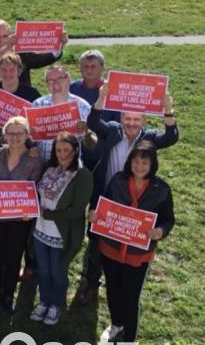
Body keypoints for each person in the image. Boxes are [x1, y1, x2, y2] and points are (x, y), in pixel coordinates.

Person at [74, 84, 179, 304]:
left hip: (134, 201)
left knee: (124, 242)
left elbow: (171, 137)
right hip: (104, 195)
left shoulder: (149, 137)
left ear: (144, 121)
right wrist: (101, 99)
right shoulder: (112, 129)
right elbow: (93, 122)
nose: (131, 124)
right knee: (95, 241)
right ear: (121, 118)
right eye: (127, 119)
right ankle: (91, 283)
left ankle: (119, 287)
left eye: (136, 119)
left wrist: (168, 111)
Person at [94, 141, 174, 345]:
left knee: (131, 297)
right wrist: (96, 213)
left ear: (152, 164)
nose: (139, 166)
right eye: (136, 161)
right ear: (130, 162)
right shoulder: (118, 180)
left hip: (138, 253)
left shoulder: (162, 189)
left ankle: (129, 341)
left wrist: (160, 231)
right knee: (113, 289)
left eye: (144, 162)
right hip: (111, 247)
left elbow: (169, 220)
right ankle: (116, 323)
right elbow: (105, 204)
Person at [0, 116, 43, 312]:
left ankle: (8, 293)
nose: (15, 137)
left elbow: (36, 190)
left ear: (27, 135)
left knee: (13, 257)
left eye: (20, 133)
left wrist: (30, 211)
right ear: (4, 134)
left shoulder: (34, 161)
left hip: (19, 220)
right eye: (11, 133)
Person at [29, 132, 93, 325]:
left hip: (61, 234)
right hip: (40, 231)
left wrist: (48, 214)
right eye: (58, 150)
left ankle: (56, 305)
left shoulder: (83, 175)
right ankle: (44, 301)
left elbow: (76, 210)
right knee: (44, 270)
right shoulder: (50, 168)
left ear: (75, 151)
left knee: (58, 271)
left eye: (67, 150)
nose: (62, 154)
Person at [0, 19, 67, 98]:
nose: (1, 40)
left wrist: (58, 46)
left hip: (17, 99)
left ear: (10, 36)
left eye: (5, 36)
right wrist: (7, 47)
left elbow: (41, 60)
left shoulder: (21, 55)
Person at [0, 52, 42, 144]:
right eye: (3, 70)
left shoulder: (32, 94)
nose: (7, 73)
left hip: (20, 143)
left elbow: (38, 125)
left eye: (12, 70)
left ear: (19, 71)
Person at [30, 66, 92, 162]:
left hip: (71, 166)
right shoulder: (37, 105)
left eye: (60, 78)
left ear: (69, 79)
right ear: (46, 84)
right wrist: (30, 141)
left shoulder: (83, 106)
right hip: (43, 164)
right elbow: (29, 140)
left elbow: (91, 144)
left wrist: (87, 131)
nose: (55, 84)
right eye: (50, 81)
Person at [69, 49, 121, 123]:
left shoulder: (113, 90)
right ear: (80, 68)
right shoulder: (71, 89)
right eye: (86, 66)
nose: (89, 70)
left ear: (102, 67)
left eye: (93, 66)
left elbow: (119, 123)